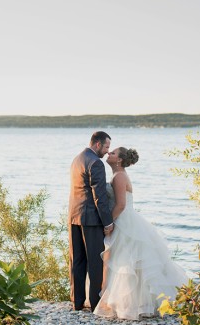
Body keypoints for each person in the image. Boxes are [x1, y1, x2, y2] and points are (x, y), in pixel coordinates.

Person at [94, 147, 188, 320]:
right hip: (126, 219)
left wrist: (109, 223)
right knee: (126, 263)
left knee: (124, 263)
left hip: (124, 220)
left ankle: (128, 305)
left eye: (112, 153)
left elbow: (121, 204)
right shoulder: (118, 175)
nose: (109, 154)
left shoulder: (119, 176)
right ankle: (131, 304)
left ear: (120, 160)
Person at [68, 131, 114, 312]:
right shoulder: (96, 163)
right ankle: (95, 304)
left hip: (73, 216)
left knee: (77, 260)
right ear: (97, 144)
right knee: (95, 262)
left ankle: (77, 302)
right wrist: (108, 222)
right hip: (91, 219)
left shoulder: (77, 159)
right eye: (106, 147)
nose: (107, 151)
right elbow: (99, 197)